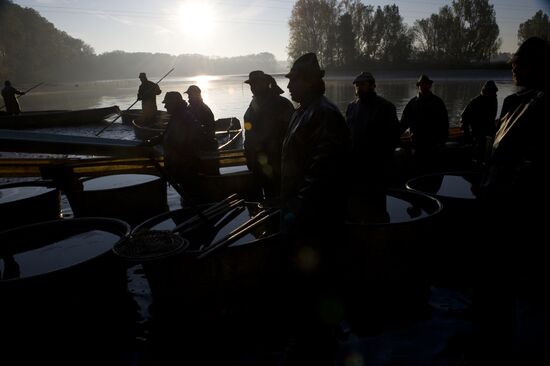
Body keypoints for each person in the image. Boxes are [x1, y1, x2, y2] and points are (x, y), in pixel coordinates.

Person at [474, 37, 550, 365]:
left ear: (539, 65)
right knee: (499, 285)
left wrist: (503, 194)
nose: (512, 66)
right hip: (499, 210)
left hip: (519, 217)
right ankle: (497, 338)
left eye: (519, 61)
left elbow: (534, 168)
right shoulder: (517, 103)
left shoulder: (544, 106)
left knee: (524, 290)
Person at [277, 52, 350, 365]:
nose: (289, 85)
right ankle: (314, 334)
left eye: (293, 79)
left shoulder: (325, 114)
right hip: (300, 213)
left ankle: (321, 340)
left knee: (317, 279)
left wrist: (298, 212)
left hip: (315, 220)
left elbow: (322, 173)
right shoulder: (303, 111)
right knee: (305, 281)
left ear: (309, 81)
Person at [345, 71, 400, 222]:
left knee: (377, 208)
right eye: (356, 85)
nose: (358, 88)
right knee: (356, 208)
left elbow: (394, 138)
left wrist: (381, 161)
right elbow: (346, 135)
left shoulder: (385, 107)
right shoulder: (351, 107)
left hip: (376, 169)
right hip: (355, 168)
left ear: (373, 86)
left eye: (362, 85)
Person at [243, 70, 294, 199]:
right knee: (263, 204)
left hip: (278, 166)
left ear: (266, 83)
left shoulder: (282, 104)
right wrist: (249, 158)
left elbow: (293, 137)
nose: (253, 87)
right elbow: (249, 136)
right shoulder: (252, 105)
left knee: (278, 200)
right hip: (257, 165)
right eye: (251, 84)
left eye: (257, 83)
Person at [160, 91, 211, 199]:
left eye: (167, 103)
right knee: (188, 196)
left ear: (174, 103)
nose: (164, 106)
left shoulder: (184, 116)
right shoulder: (177, 116)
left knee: (192, 197)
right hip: (183, 169)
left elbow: (192, 138)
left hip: (187, 169)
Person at [400, 74, 449, 173]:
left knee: (433, 172)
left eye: (426, 84)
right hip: (417, 145)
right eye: (422, 85)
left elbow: (444, 124)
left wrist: (442, 142)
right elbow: (403, 124)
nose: (424, 86)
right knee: (418, 172)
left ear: (430, 86)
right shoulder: (412, 103)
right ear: (418, 86)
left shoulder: (438, 102)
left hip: (434, 145)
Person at [460, 80, 498, 165]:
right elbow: (464, 116)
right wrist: (466, 132)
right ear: (486, 91)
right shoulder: (475, 101)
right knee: (480, 144)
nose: (494, 94)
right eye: (492, 91)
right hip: (477, 130)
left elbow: (492, 117)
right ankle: (478, 160)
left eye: (494, 92)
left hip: (490, 128)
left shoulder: (493, 100)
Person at [184, 85, 217, 152]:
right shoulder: (191, 107)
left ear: (196, 95)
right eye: (188, 95)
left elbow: (206, 130)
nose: (188, 97)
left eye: (190, 95)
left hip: (204, 145)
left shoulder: (203, 109)